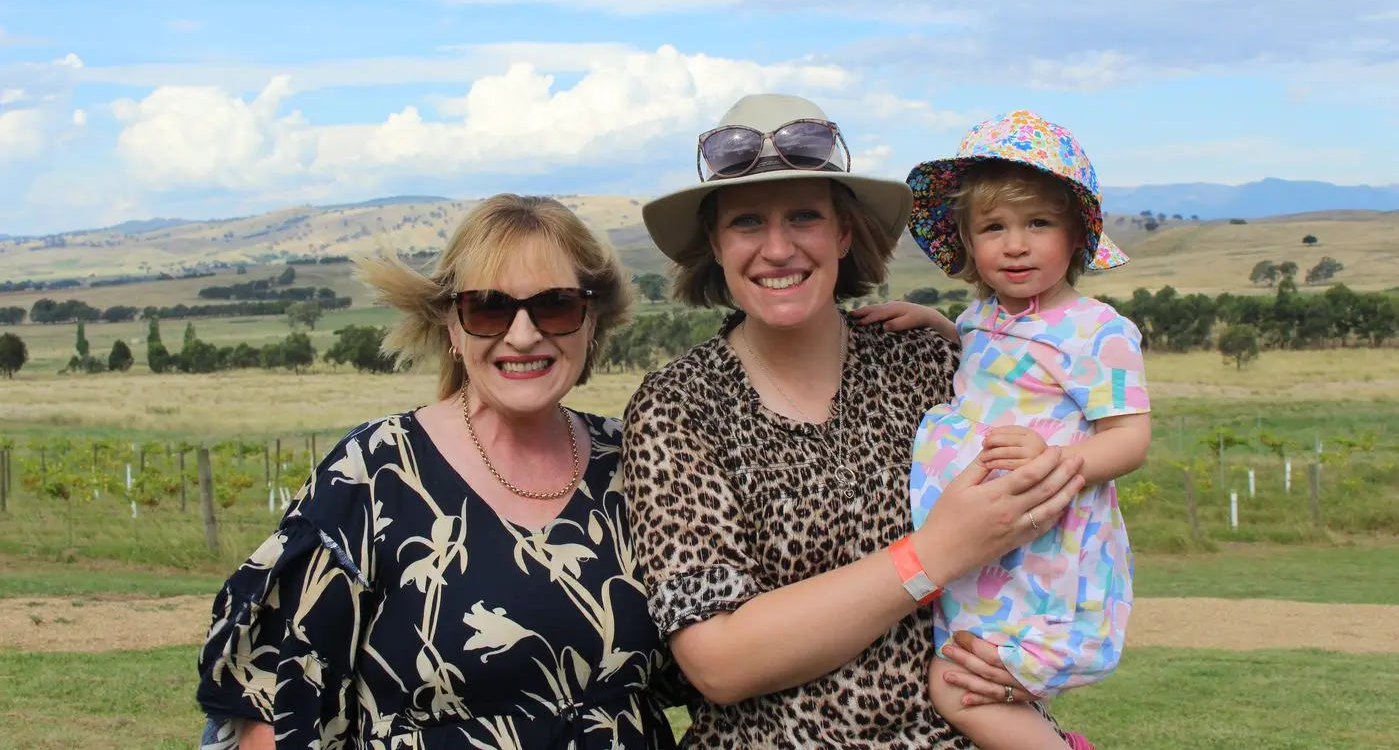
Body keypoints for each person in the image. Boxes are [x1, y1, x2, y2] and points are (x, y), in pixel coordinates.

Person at [623, 93, 1091, 748]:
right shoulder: (678, 405)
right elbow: (717, 662)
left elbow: (1058, 507)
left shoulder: (929, 365)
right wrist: (933, 552)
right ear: (715, 242)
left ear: (844, 231)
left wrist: (1026, 656)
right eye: (747, 222)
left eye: (804, 217)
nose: (778, 248)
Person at [196, 194, 685, 750]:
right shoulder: (375, 475)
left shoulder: (639, 461)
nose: (523, 335)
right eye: (488, 308)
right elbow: (278, 711)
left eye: (555, 305)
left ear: (591, 320)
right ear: (452, 327)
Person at [861, 110, 1151, 749]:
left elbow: (1130, 438)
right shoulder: (980, 318)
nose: (1015, 244)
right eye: (994, 228)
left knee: (959, 682)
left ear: (1077, 235)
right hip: (977, 546)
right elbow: (990, 360)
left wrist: (1058, 458)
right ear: (968, 243)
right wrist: (933, 323)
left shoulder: (1095, 330)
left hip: (1040, 546)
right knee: (966, 668)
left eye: (1037, 224)